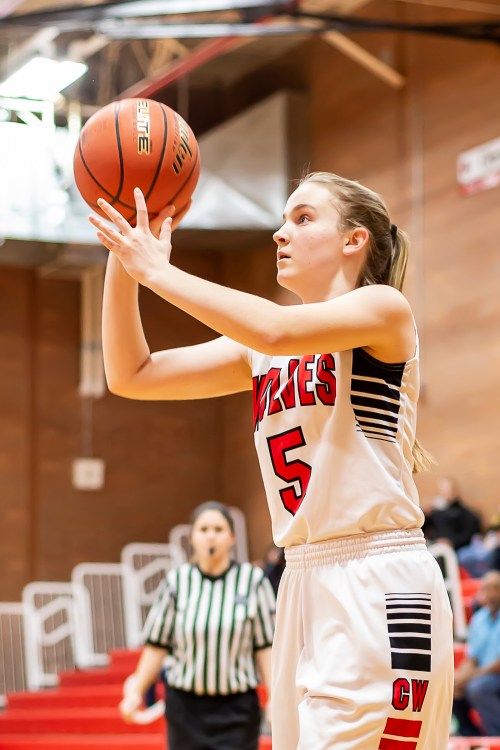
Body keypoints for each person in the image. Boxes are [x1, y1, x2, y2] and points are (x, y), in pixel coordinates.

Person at [90, 172, 454, 749]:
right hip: (301, 579)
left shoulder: (384, 310)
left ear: (353, 239)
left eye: (303, 218)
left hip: (379, 581)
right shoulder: (260, 350)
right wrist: (123, 253)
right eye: (283, 220)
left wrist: (156, 270)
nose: (280, 233)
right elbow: (131, 374)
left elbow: (278, 329)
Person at [119, 501, 275, 750]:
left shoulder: (252, 581)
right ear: (192, 537)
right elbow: (157, 645)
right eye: (203, 529)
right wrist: (136, 692)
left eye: (218, 529)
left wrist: (275, 698)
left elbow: (265, 647)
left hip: (238, 710)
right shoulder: (177, 582)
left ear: (232, 538)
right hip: (185, 710)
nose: (211, 536)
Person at [453, 570, 500, 737]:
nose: (489, 593)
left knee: (478, 687)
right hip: (483, 675)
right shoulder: (479, 618)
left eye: (494, 588)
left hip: (493, 675)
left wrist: (473, 676)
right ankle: (472, 737)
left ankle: (496, 736)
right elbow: (472, 658)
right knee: (452, 687)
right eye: (486, 588)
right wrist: (459, 678)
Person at [423, 476, 481, 551]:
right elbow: (422, 527)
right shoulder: (435, 513)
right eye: (442, 492)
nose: (444, 494)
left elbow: (468, 535)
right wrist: (425, 513)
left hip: (457, 548)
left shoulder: (465, 513)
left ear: (455, 492)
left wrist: (452, 542)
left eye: (447, 491)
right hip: (437, 547)